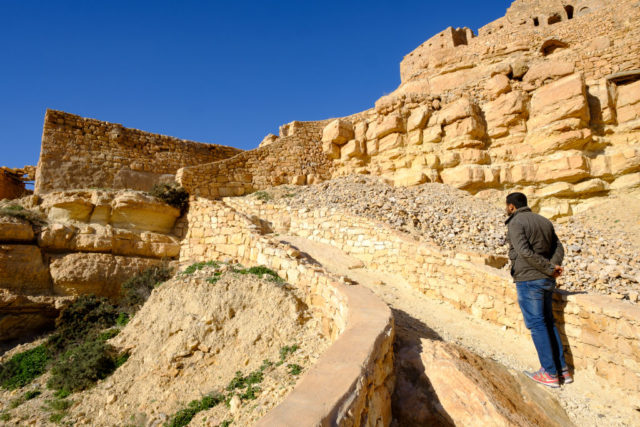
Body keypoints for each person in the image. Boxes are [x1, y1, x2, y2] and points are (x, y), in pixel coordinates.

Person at [505, 192, 573, 388]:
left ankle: (550, 373)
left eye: (507, 206)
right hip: (546, 280)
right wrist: (552, 266)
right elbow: (559, 247)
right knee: (549, 323)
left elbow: (523, 252)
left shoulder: (516, 223)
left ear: (511, 206)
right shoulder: (544, 221)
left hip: (529, 279)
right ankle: (562, 370)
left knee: (537, 325)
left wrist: (549, 268)